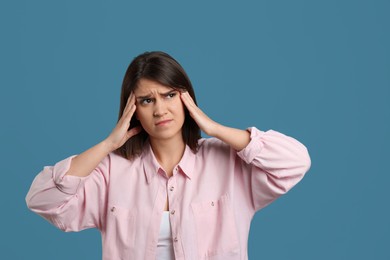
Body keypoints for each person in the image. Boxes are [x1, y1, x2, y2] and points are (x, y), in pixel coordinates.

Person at [26, 51, 311, 260]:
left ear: (186, 97)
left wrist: (215, 129)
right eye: (147, 101)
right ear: (132, 109)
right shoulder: (112, 172)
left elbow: (295, 161)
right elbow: (43, 200)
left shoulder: (228, 163)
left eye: (170, 95)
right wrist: (107, 145)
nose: (160, 110)